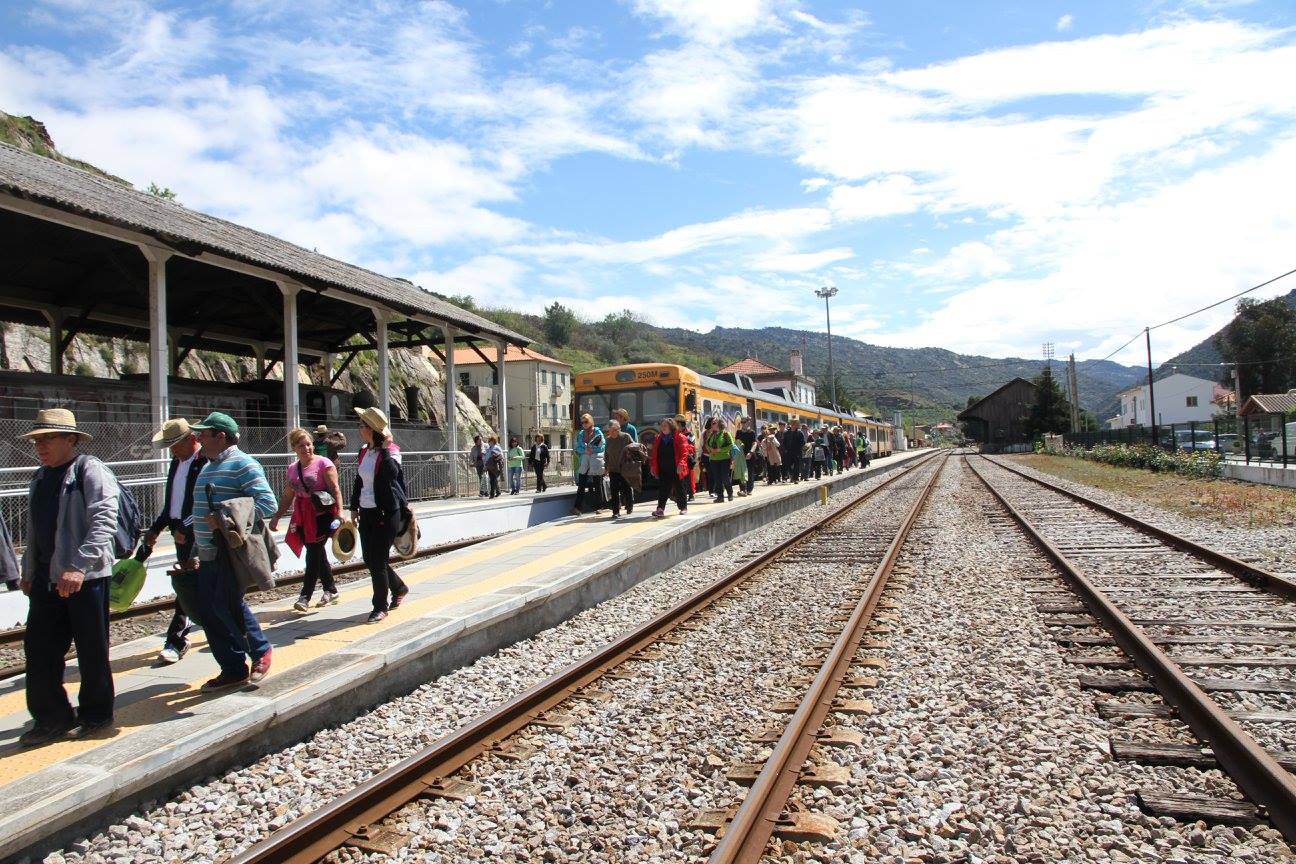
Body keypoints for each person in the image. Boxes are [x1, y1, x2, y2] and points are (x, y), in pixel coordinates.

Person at [17, 409, 119, 745]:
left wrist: (79, 565)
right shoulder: (40, 477)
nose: (40, 446)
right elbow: (35, 530)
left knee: (91, 650)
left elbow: (105, 519)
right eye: (37, 440)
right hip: (48, 580)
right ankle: (51, 717)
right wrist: (29, 571)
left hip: (84, 578)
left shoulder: (88, 470)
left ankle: (96, 714)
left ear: (70, 440)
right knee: (40, 650)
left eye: (48, 439)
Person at [184, 411, 277, 691]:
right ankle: (233, 668)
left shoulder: (243, 464)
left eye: (204, 434)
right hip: (208, 551)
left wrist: (225, 521)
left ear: (220, 436)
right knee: (210, 612)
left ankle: (260, 650)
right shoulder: (207, 467)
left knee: (228, 605)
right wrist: (195, 551)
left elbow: (266, 504)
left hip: (228, 552)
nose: (198, 438)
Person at [144, 418, 207, 665]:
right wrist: (157, 528)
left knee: (190, 588)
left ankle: (177, 640)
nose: (172, 449)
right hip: (180, 535)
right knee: (192, 587)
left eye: (175, 444)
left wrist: (186, 526)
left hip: (199, 535)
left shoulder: (205, 462)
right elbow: (173, 502)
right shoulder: (176, 463)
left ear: (192, 439)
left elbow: (203, 503)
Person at [270, 428, 342, 611]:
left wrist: (340, 512)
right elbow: (288, 495)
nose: (306, 448)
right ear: (294, 448)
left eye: (309, 444)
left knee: (313, 553)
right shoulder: (292, 469)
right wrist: (277, 516)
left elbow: (335, 489)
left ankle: (304, 596)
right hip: (302, 516)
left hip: (322, 516)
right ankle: (331, 589)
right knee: (317, 552)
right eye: (301, 445)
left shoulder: (323, 463)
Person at [350, 407, 409, 623]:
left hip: (387, 512)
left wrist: (384, 449)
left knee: (378, 560)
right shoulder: (364, 451)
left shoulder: (392, 451)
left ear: (372, 429)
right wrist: (354, 506)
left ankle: (380, 606)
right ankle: (399, 587)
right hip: (367, 511)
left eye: (363, 425)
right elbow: (359, 480)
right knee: (370, 559)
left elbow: (391, 475)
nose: (360, 428)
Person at [649, 417, 690, 518]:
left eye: (665, 426)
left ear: (671, 426)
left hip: (676, 468)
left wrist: (681, 464)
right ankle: (660, 509)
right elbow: (655, 454)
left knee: (679, 488)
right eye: (661, 426)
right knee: (663, 488)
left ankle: (683, 507)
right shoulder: (658, 438)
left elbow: (685, 452)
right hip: (663, 468)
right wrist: (653, 466)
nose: (662, 428)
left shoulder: (680, 437)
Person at [572, 414, 605, 515]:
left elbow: (602, 446)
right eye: (582, 422)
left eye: (586, 422)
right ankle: (577, 508)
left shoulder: (598, 432)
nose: (584, 424)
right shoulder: (581, 433)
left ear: (591, 421)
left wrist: (592, 450)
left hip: (595, 460)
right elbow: (577, 447)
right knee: (581, 484)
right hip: (585, 460)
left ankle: (600, 507)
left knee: (597, 483)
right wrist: (586, 450)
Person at [603, 420, 634, 518]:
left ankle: (629, 506)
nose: (611, 433)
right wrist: (606, 467)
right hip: (613, 469)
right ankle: (615, 511)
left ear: (618, 429)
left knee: (626, 488)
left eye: (614, 430)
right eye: (610, 431)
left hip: (625, 468)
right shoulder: (608, 440)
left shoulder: (626, 437)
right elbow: (606, 454)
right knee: (614, 490)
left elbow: (634, 448)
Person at [705, 417, 734, 503]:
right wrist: (710, 450)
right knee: (717, 478)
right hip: (713, 459)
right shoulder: (712, 435)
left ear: (719, 424)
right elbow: (707, 444)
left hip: (724, 458)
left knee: (725, 477)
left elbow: (731, 445)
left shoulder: (725, 434)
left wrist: (719, 450)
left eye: (714, 423)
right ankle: (720, 497)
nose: (712, 424)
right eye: (712, 423)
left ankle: (730, 493)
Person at [735, 417, 757, 496]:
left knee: (750, 472)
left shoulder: (752, 432)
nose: (743, 424)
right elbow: (736, 443)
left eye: (745, 422)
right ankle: (742, 490)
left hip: (750, 455)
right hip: (741, 455)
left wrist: (750, 452)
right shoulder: (739, 432)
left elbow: (754, 443)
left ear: (748, 423)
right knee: (742, 472)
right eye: (742, 423)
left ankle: (749, 489)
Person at [677, 414, 697, 501]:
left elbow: (691, 446)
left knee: (689, 476)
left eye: (676, 424)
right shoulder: (676, 434)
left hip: (688, 458)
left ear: (681, 425)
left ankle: (691, 494)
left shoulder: (690, 434)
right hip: (680, 458)